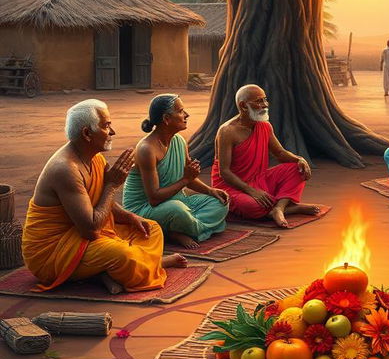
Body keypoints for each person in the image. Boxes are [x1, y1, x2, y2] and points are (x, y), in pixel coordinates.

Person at [22, 99, 185, 295]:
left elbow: (104, 204)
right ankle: (150, 264)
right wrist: (112, 185)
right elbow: (90, 229)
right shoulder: (65, 169)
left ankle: (105, 273)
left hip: (84, 237)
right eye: (107, 126)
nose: (113, 132)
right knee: (123, 254)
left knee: (151, 229)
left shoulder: (95, 157)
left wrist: (131, 217)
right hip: (53, 253)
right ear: (86, 133)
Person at [123, 94, 229, 250]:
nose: (186, 115)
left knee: (220, 202)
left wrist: (211, 191)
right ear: (166, 119)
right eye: (180, 111)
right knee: (178, 210)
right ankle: (174, 232)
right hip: (144, 208)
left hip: (176, 200)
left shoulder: (179, 141)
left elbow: (189, 178)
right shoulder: (147, 149)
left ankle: (175, 228)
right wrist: (185, 180)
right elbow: (154, 198)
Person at [210, 84, 320, 228]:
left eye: (265, 100)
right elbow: (224, 172)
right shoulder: (227, 131)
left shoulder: (265, 126)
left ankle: (279, 208)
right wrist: (252, 191)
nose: (265, 105)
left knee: (296, 169)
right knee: (252, 206)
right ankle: (291, 208)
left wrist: (299, 159)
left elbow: (280, 153)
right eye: (259, 101)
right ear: (243, 106)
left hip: (259, 178)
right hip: (232, 186)